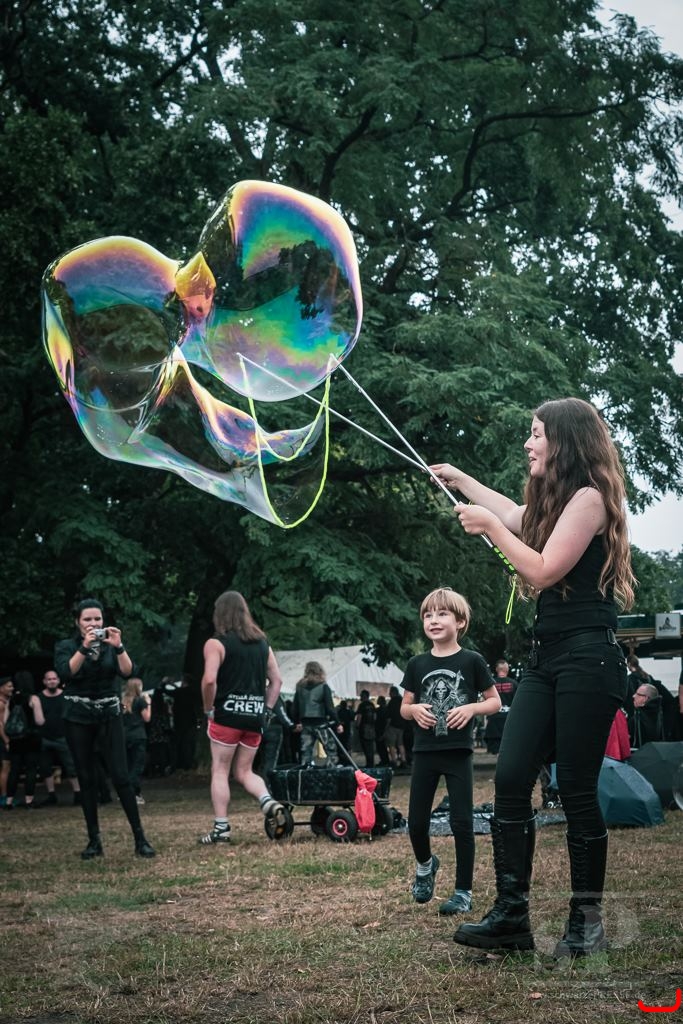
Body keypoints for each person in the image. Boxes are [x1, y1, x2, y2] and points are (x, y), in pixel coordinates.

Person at [430, 397, 635, 957]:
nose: (528, 442)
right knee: (512, 774)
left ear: (565, 441)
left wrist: (490, 528)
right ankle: (512, 918)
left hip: (589, 660)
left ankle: (585, 923)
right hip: (546, 660)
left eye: (537, 433)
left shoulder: (590, 499)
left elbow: (542, 569)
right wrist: (461, 480)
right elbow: (514, 515)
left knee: (576, 788)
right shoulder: (557, 503)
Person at [401, 587, 501, 915]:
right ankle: (425, 865)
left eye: (442, 614)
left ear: (460, 622)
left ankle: (463, 893)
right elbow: (404, 707)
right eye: (428, 615)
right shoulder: (417, 663)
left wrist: (471, 708)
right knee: (417, 822)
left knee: (461, 822)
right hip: (424, 751)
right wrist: (413, 710)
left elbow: (494, 701)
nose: (433, 620)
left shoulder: (472, 661)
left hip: (458, 751)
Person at [54, 598, 156, 859]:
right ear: (77, 622)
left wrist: (119, 646)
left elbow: (129, 672)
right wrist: (84, 647)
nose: (93, 623)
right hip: (78, 717)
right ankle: (94, 841)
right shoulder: (66, 646)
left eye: (97, 619)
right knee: (87, 777)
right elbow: (66, 673)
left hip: (109, 716)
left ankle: (140, 839)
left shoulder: (111, 645)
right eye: (87, 619)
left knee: (121, 776)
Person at [199, 590, 287, 844]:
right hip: (254, 717)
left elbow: (209, 680)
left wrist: (208, 708)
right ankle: (268, 802)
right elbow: (277, 681)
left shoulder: (216, 644)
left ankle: (221, 829)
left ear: (219, 613)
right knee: (245, 771)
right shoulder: (262, 644)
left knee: (220, 770)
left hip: (226, 716)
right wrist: (266, 709)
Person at [37, 668, 81, 806]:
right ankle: (51, 795)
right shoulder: (39, 697)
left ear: (58, 680)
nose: (52, 681)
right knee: (46, 768)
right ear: (44, 681)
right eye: (49, 679)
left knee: (71, 767)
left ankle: (78, 794)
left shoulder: (66, 696)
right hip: (45, 738)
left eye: (54, 678)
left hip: (63, 737)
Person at [5, 671, 45, 809]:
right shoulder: (33, 698)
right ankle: (29, 800)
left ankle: (9, 801)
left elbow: (6, 721)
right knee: (31, 769)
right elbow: (39, 721)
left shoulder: (11, 699)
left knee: (14, 770)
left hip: (15, 740)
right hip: (31, 738)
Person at [291, 661, 343, 766]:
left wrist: (296, 722)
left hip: (305, 723)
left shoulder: (300, 687)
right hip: (321, 723)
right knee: (330, 750)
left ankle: (306, 771)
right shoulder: (323, 686)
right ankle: (332, 769)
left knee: (306, 752)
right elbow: (330, 708)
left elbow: (294, 708)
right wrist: (338, 723)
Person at [121, 678, 151, 804]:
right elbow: (147, 718)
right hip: (138, 736)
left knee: (128, 765)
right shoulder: (140, 701)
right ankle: (134, 793)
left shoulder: (123, 702)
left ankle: (125, 792)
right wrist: (148, 703)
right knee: (137, 765)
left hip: (125, 736)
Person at [628, 683, 664, 748]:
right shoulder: (661, 715)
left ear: (645, 698)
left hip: (639, 753)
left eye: (637, 694)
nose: (633, 696)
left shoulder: (636, 720)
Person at [385, 685, 407, 768]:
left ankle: (394, 761)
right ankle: (403, 760)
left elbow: (389, 716)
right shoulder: (402, 701)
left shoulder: (392, 702)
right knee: (401, 744)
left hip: (393, 726)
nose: (389, 694)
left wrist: (386, 727)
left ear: (393, 692)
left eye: (390, 692)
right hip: (402, 726)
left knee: (391, 745)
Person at [355, 690, 376, 768]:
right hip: (371, 727)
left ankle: (369, 763)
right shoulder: (372, 705)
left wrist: (357, 725)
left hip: (364, 727)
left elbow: (359, 716)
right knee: (370, 745)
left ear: (364, 696)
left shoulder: (362, 705)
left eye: (361, 695)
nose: (360, 697)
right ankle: (371, 763)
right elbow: (375, 716)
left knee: (365, 746)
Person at [0, 676, 13, 806]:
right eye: (9, 686)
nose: (12, 688)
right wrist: (6, 740)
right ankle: (4, 797)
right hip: (2, 739)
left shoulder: (6, 701)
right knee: (5, 767)